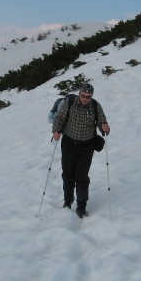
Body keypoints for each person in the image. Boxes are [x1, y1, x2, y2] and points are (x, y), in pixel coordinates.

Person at [52, 83, 110, 217]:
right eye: (83, 96)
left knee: (82, 177)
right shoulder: (70, 102)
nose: (85, 99)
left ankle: (81, 206)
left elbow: (102, 122)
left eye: (88, 97)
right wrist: (56, 131)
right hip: (69, 143)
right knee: (67, 174)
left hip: (87, 146)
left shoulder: (95, 106)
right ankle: (68, 199)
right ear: (79, 93)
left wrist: (104, 128)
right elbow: (59, 117)